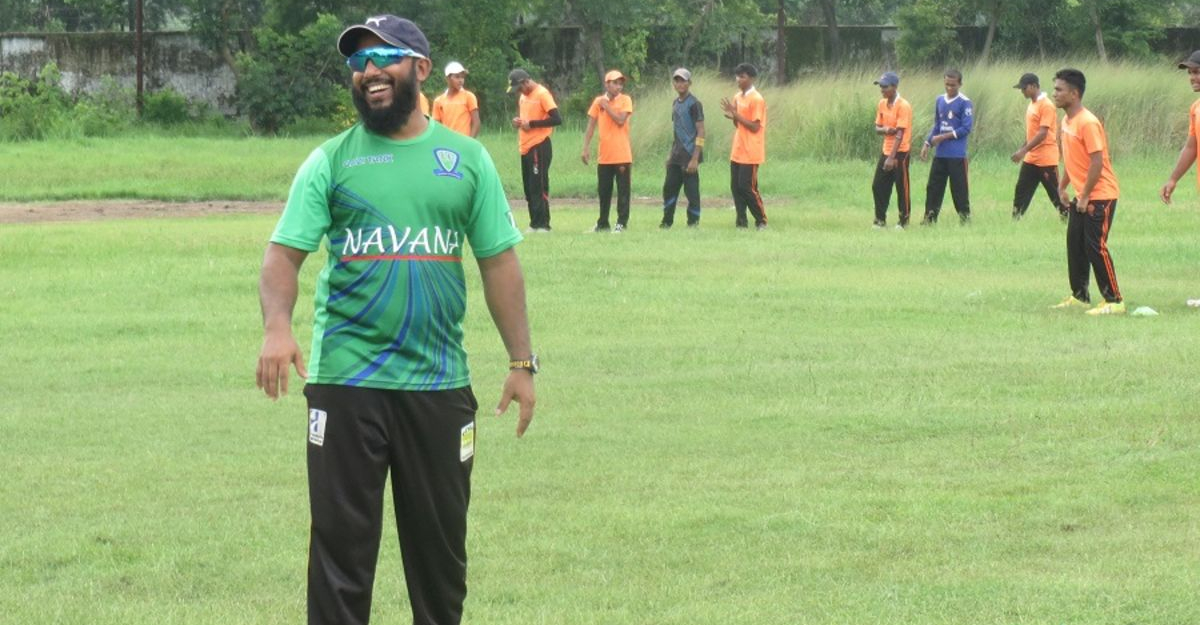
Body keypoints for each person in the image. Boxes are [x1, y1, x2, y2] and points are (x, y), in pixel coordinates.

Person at [255, 15, 537, 625]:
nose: (369, 72)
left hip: (437, 386)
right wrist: (277, 326)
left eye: (384, 57)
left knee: (440, 562)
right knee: (340, 557)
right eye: (358, 62)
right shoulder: (332, 160)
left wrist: (521, 361)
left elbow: (498, 263)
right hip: (346, 382)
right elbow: (283, 255)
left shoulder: (466, 160)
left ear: (421, 68)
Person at [1051, 68, 1125, 315]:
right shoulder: (1066, 121)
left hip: (1100, 195)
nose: (1054, 94)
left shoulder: (1088, 122)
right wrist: (1062, 186)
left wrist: (1084, 196)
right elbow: (1073, 159)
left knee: (1095, 246)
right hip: (1082, 194)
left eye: (1059, 90)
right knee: (1075, 245)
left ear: (1074, 93)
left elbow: (1097, 162)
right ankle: (1080, 296)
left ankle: (1114, 300)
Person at [1160, 50, 1200, 306]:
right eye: (1190, 73)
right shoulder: (1196, 108)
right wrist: (1173, 179)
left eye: (1197, 72)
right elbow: (1191, 146)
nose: (1192, 77)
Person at [581, 69, 634, 232]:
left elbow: (620, 120)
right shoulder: (598, 101)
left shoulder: (625, 100)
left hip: (622, 155)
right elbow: (591, 125)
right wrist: (585, 147)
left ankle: (621, 223)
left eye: (620, 84)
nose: (618, 87)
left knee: (623, 192)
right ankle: (603, 223)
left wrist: (607, 107)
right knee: (604, 192)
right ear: (607, 84)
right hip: (604, 155)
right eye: (615, 83)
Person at [509, 68, 561, 232]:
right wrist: (519, 122)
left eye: (520, 88)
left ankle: (543, 224)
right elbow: (527, 119)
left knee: (539, 186)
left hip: (539, 145)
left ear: (525, 82)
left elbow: (557, 119)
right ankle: (534, 223)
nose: (519, 92)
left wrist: (532, 124)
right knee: (529, 187)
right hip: (525, 147)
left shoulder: (542, 94)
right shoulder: (523, 97)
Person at [920, 69, 974, 225]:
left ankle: (965, 219)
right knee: (933, 187)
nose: (949, 88)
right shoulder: (940, 100)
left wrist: (943, 137)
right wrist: (927, 143)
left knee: (959, 189)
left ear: (960, 84)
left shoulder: (965, 102)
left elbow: (966, 128)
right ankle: (929, 219)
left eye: (953, 85)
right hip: (940, 154)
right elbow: (938, 125)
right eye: (947, 84)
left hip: (957, 155)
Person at [1011, 72, 1066, 221]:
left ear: (1034, 86)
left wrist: (1023, 151)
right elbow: (1032, 132)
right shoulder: (1032, 104)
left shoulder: (1046, 105)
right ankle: (1015, 220)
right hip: (1031, 158)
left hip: (1046, 159)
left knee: (1055, 192)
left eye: (1024, 88)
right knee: (1021, 190)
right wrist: (1022, 149)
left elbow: (1042, 133)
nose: (1022, 91)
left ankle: (1067, 217)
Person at [719, 63, 767, 230]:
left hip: (751, 151)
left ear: (751, 78)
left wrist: (736, 114)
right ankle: (741, 222)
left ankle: (761, 220)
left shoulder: (757, 99)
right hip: (738, 149)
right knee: (736, 187)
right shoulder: (737, 97)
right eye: (737, 76)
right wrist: (734, 116)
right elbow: (737, 124)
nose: (738, 79)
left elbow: (755, 126)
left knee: (747, 187)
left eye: (742, 76)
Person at [660, 67, 705, 229]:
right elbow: (677, 130)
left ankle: (693, 223)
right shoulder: (675, 103)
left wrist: (695, 158)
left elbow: (701, 131)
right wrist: (670, 155)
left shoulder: (694, 104)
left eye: (683, 81)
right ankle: (666, 222)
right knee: (669, 189)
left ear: (689, 83)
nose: (680, 84)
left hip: (689, 154)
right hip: (676, 155)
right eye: (677, 81)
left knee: (691, 192)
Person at [871, 71, 913, 229]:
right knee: (878, 185)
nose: (882, 90)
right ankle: (880, 220)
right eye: (880, 86)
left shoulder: (903, 106)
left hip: (900, 152)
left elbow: (900, 133)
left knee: (901, 187)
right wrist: (885, 130)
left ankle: (904, 221)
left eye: (885, 87)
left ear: (894, 87)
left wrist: (891, 158)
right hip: (886, 150)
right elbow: (877, 128)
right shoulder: (882, 104)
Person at [432, 61, 480, 137]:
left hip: (463, 141)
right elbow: (436, 126)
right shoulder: (438, 101)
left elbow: (476, 123)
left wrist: (470, 141)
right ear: (447, 78)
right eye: (457, 77)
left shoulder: (469, 96)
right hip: (447, 141)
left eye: (462, 77)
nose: (461, 80)